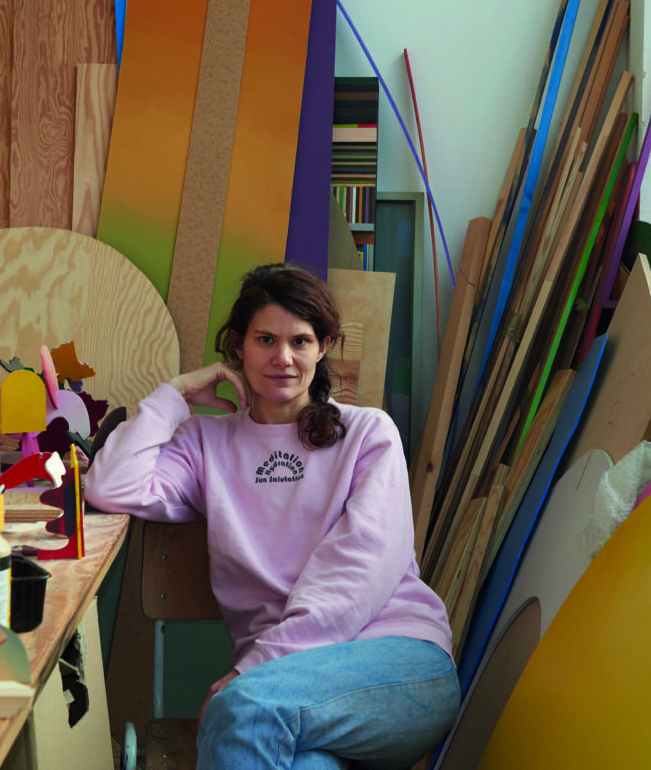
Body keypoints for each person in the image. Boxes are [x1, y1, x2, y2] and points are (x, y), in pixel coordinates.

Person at [84, 262, 459, 770]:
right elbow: (111, 486)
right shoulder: (205, 442)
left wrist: (259, 669)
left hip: (397, 665)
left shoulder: (368, 433)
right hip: (284, 701)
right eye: (265, 339)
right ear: (238, 346)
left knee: (243, 710)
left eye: (300, 341)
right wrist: (173, 397)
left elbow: (360, 568)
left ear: (323, 345)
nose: (283, 358)